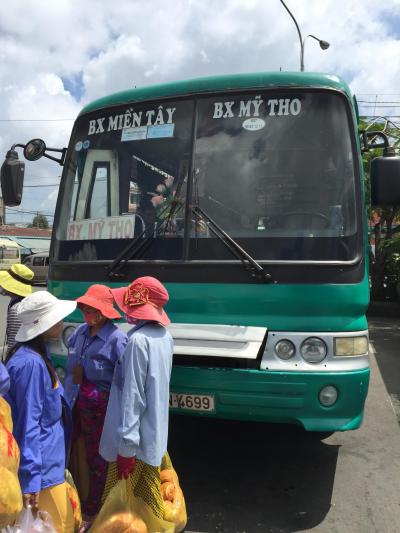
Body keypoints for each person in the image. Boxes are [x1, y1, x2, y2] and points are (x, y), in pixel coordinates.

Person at [5, 291, 77, 533]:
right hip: (43, 471)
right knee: (60, 526)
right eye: (56, 319)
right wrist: (31, 480)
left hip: (50, 463)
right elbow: (28, 425)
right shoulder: (31, 364)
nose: (62, 322)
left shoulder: (37, 356)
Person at [64, 284, 127, 531]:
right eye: (85, 309)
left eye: (94, 310)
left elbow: (124, 382)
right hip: (74, 404)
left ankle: (94, 509)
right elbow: (71, 369)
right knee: (73, 452)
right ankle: (77, 500)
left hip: (101, 411)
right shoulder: (79, 333)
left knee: (98, 460)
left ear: (105, 311)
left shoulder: (117, 339)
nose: (88, 314)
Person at [99, 276, 173, 482]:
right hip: (154, 438)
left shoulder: (137, 341)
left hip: (135, 448)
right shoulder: (164, 336)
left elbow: (133, 397)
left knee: (127, 510)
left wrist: (126, 449)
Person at [0, 263, 34, 355]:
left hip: (18, 356)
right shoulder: (23, 303)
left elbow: (14, 342)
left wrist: (10, 359)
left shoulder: (17, 309)